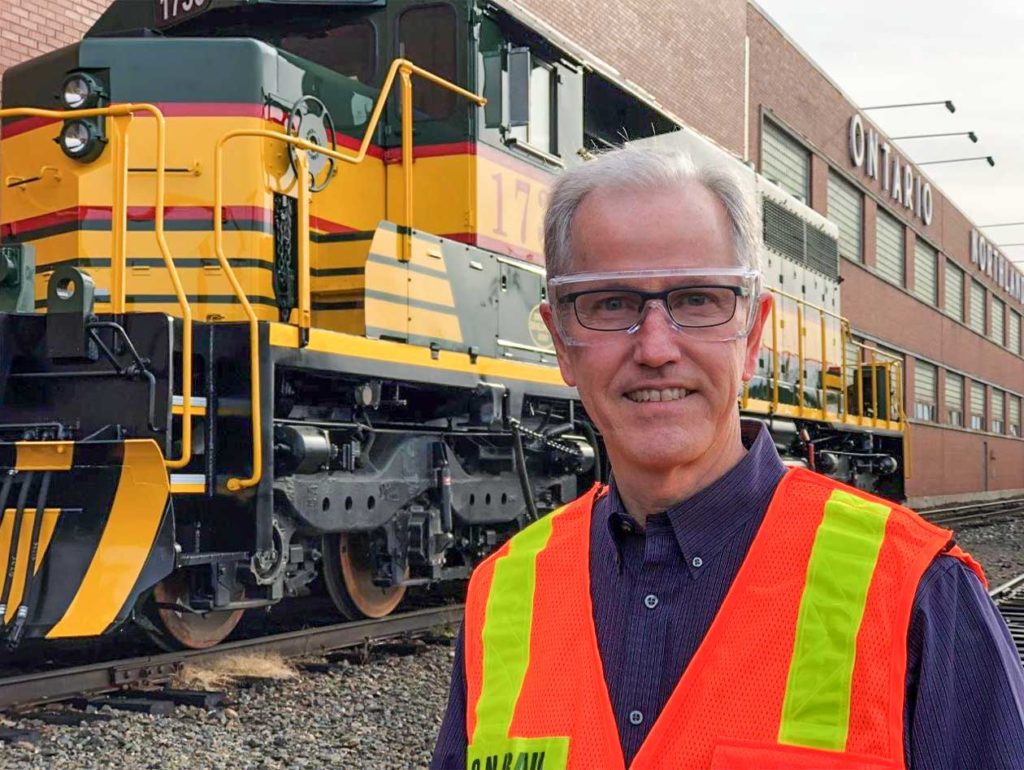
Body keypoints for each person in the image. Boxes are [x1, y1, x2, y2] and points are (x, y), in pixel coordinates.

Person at [432, 146, 1024, 770]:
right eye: (610, 304)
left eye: (697, 301)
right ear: (562, 342)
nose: (656, 348)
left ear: (752, 334)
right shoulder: (500, 598)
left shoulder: (919, 594)